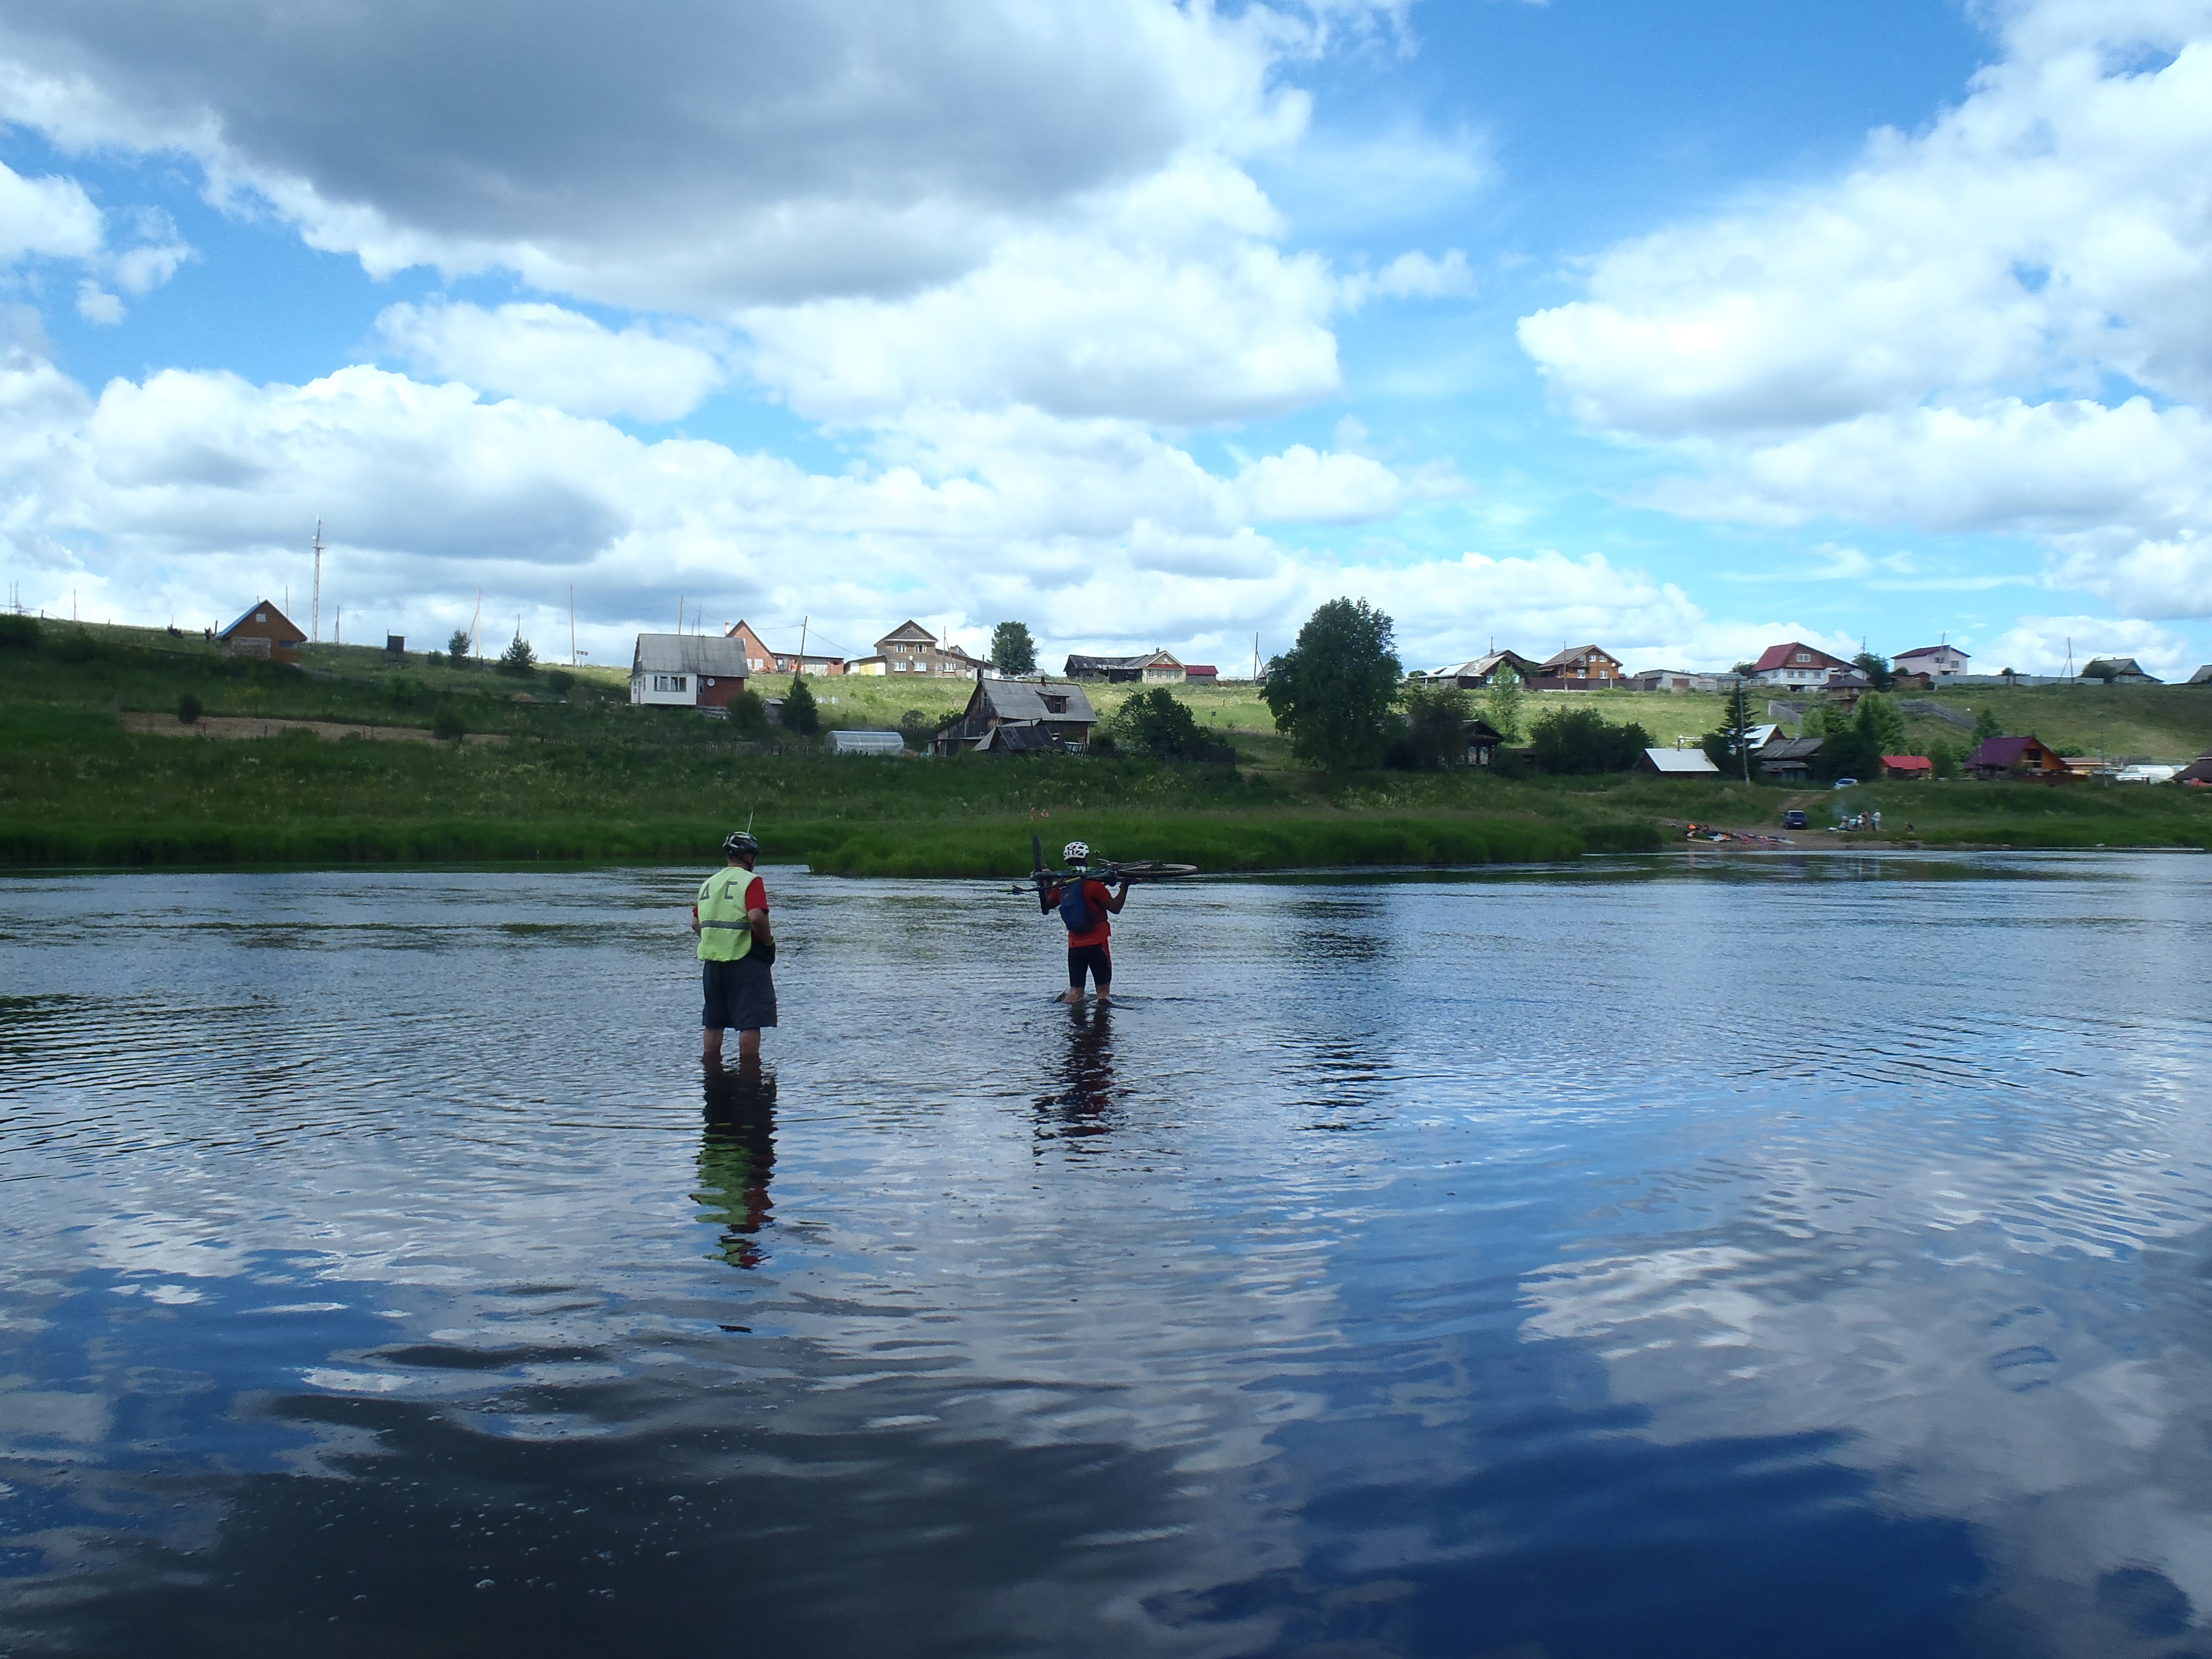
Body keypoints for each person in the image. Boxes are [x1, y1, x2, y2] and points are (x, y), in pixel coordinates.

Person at [693, 830, 775, 1061]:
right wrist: (768, 941)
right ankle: (750, 1077)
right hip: (745, 960)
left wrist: (714, 940)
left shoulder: (709, 884)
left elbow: (695, 923)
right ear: (748, 857)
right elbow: (756, 917)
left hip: (712, 964)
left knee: (713, 1022)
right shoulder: (752, 881)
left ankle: (711, 1072)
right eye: (754, 856)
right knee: (750, 1021)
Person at [1041, 840, 1127, 1004]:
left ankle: (1073, 1023)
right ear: (1086, 859)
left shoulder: (1062, 885)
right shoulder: (1095, 885)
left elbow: (1048, 905)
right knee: (1103, 995)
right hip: (1098, 945)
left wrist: (1047, 883)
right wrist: (1126, 886)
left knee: (1075, 992)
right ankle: (1102, 1025)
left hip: (1075, 947)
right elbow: (1115, 908)